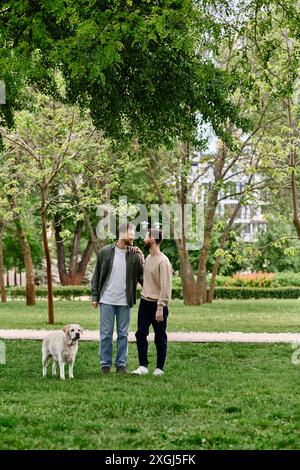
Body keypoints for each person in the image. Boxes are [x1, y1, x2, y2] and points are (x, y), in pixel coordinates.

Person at [91, 223, 144, 374]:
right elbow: (96, 275)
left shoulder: (134, 254)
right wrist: (95, 296)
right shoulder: (105, 252)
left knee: (123, 334)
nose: (133, 236)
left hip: (125, 301)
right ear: (121, 234)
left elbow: (142, 276)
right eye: (130, 233)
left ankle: (121, 364)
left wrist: (142, 257)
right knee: (106, 334)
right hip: (107, 299)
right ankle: (105, 365)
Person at [132, 229, 172, 376]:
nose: (144, 239)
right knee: (140, 334)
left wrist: (160, 307)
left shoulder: (163, 261)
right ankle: (143, 366)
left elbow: (166, 286)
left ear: (153, 240)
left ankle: (159, 368)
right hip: (144, 303)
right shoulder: (149, 258)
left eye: (146, 237)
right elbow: (147, 274)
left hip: (157, 304)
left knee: (159, 336)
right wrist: (141, 256)